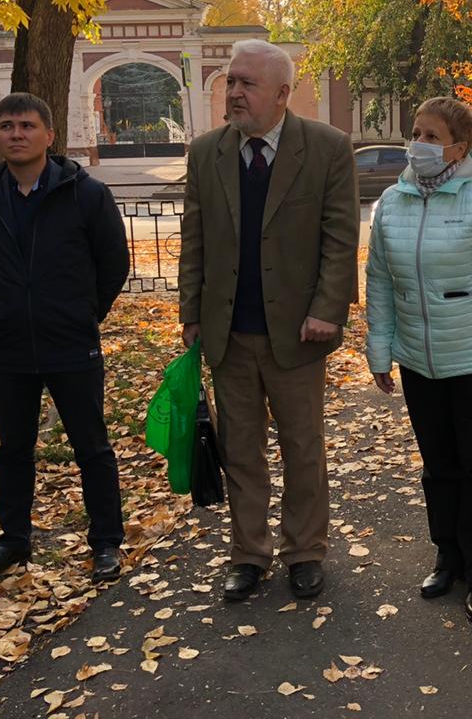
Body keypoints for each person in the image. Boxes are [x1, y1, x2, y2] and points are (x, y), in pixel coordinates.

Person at [178, 40, 358, 603]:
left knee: (303, 447)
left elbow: (339, 238)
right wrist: (190, 314)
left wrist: (328, 310)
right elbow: (195, 239)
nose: (233, 92)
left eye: (246, 84)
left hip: (298, 334)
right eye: (231, 81)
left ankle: (305, 551)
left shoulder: (327, 148)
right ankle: (248, 555)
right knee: (240, 450)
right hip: (227, 331)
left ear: (282, 94)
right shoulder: (207, 152)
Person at [364, 97, 472, 624]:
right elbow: (379, 283)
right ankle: (448, 557)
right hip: (419, 362)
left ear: (459, 147)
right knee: (438, 468)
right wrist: (379, 350)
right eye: (416, 132)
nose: (419, 143)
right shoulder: (392, 202)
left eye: (431, 136)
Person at [0, 93, 130, 584]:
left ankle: (105, 542)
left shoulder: (85, 193)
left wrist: (82, 313)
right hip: (9, 346)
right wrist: (12, 305)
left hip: (71, 342)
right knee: (14, 447)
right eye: (7, 125)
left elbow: (113, 264)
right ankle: (13, 540)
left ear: (49, 135)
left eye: (27, 125)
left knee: (91, 446)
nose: (16, 133)